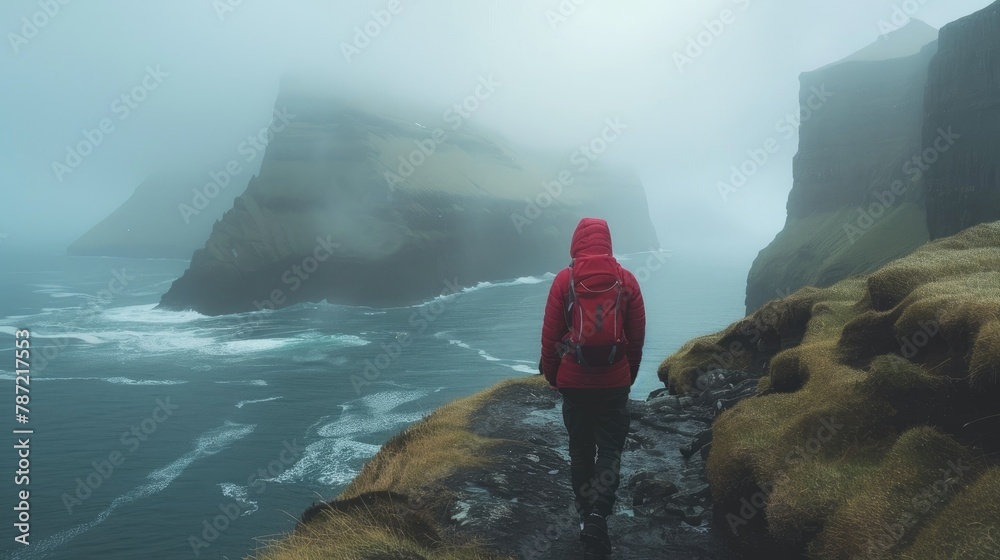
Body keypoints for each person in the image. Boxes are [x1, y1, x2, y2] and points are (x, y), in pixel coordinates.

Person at [539, 217, 646, 555]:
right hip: (614, 380)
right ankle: (600, 514)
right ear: (608, 243)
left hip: (573, 380)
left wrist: (554, 376)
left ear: (576, 243)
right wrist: (629, 374)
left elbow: (551, 338)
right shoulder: (626, 280)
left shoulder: (563, 281)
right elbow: (637, 339)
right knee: (610, 449)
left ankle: (586, 516)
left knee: (580, 448)